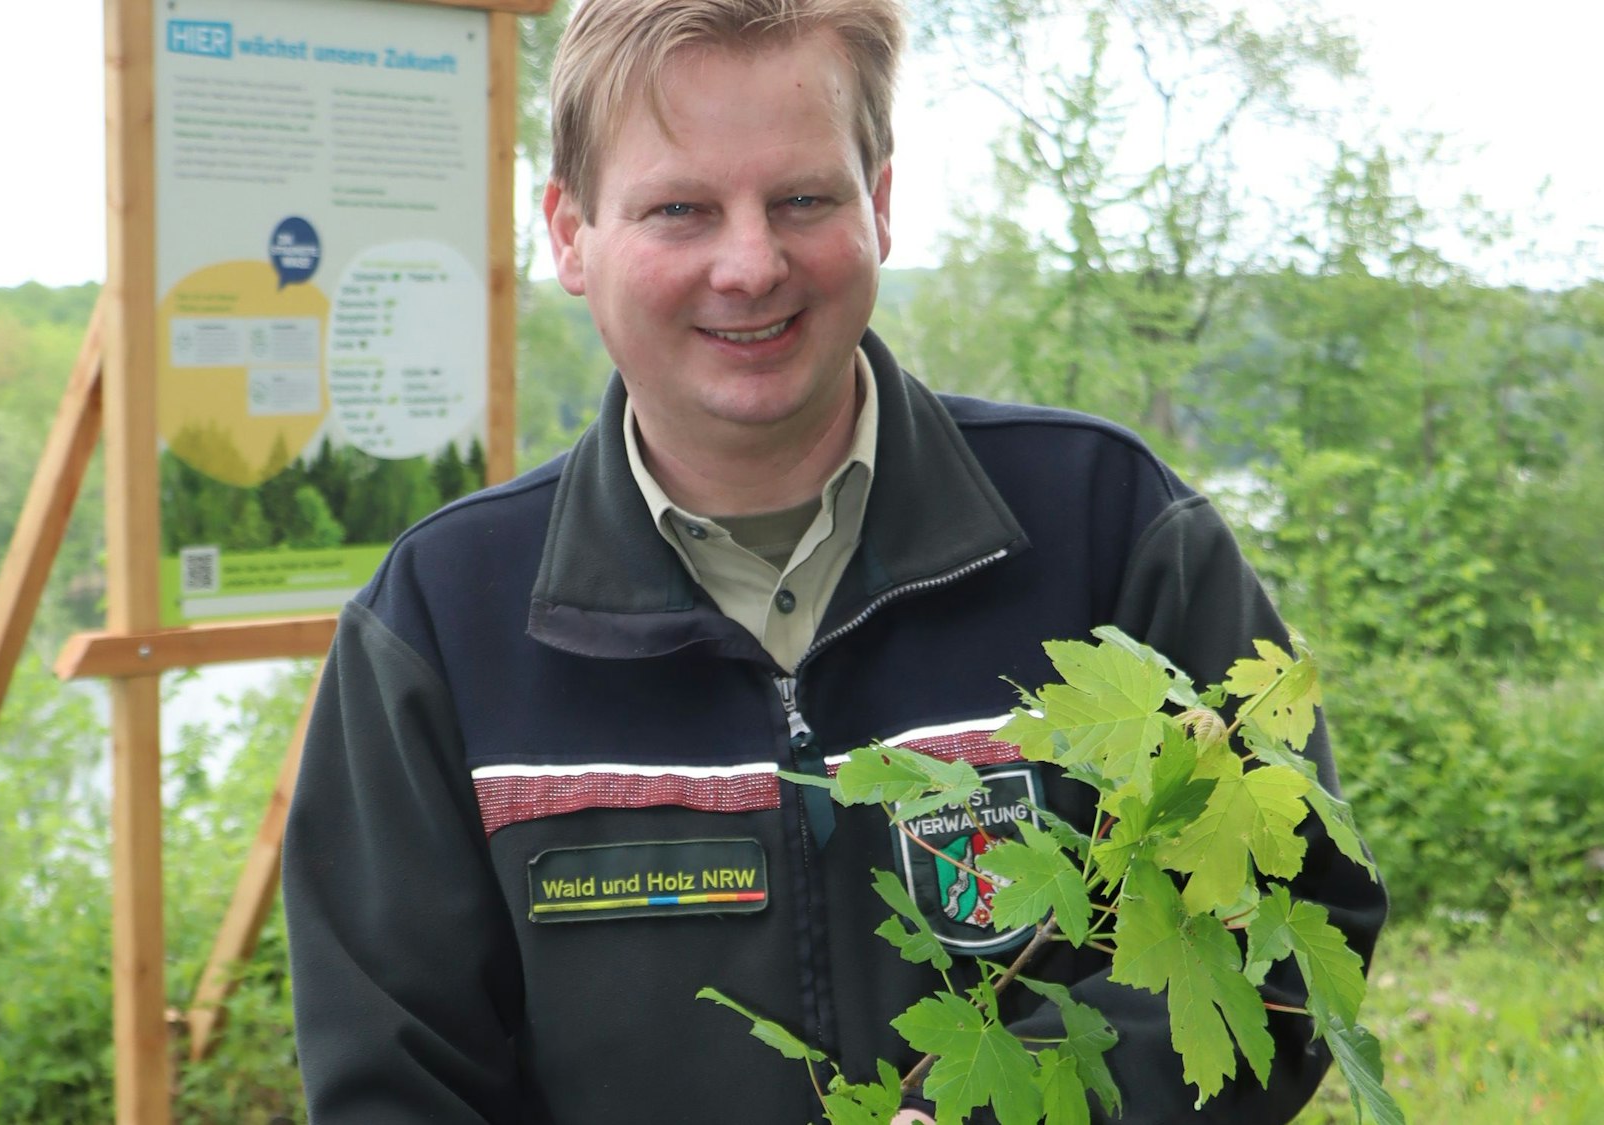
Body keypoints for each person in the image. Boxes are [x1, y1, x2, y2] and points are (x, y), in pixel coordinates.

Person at [283, 0, 1387, 1121]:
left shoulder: (1109, 531)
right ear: (569, 234)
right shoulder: (439, 623)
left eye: (801, 199)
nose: (750, 264)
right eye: (680, 209)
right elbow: (394, 1082)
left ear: (881, 206)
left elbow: (1285, 938)